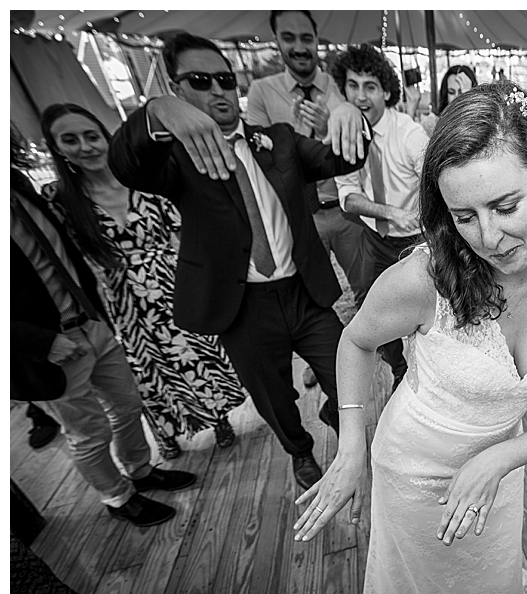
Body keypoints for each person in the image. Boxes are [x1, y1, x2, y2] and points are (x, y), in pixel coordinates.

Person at [292, 82, 527, 594]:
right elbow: (355, 342)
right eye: (464, 216)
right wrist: (351, 446)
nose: (488, 237)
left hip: (498, 464)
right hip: (412, 465)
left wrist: (500, 457)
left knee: (486, 590)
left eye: (506, 207)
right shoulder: (423, 279)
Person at [108, 33, 371, 490]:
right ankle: (300, 452)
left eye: (225, 79)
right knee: (274, 397)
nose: (217, 90)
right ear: (178, 90)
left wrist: (349, 113)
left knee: (347, 374)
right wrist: (154, 111)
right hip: (243, 305)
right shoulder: (175, 157)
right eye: (200, 80)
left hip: (305, 292)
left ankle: (336, 413)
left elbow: (343, 156)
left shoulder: (279, 140)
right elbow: (126, 165)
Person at [11, 126, 196, 528]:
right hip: (46, 347)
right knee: (89, 432)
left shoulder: (20, 184)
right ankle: (118, 498)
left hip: (89, 322)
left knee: (128, 406)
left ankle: (141, 472)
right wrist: (43, 342)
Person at [41, 102, 246, 460]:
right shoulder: (60, 201)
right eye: (70, 140)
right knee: (148, 373)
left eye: (91, 136)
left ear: (106, 138)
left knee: (197, 355)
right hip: (123, 303)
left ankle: (217, 419)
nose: (85, 147)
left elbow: (181, 230)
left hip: (173, 283)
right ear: (58, 149)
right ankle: (165, 433)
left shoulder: (145, 178)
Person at [247, 11, 367, 330]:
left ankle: (374, 350)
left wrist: (331, 129)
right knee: (310, 295)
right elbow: (254, 161)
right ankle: (322, 354)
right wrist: (291, 139)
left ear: (316, 41)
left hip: (344, 211)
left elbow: (354, 147)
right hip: (299, 215)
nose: (299, 47)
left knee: (364, 285)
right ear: (277, 41)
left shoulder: (339, 87)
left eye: (306, 38)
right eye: (289, 38)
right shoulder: (261, 92)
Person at [332, 44, 429, 392]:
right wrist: (389, 212)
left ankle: (424, 374)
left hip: (417, 242)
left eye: (369, 86)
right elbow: (348, 196)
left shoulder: (409, 133)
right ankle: (399, 368)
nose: (360, 96)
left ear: (386, 91)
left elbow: (434, 181)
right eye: (352, 85)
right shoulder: (344, 137)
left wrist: (420, 216)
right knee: (371, 310)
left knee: (423, 311)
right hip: (376, 239)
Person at [419, 64, 477, 135]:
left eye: (461, 92)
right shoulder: (435, 125)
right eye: (451, 92)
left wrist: (469, 99)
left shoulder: (480, 123)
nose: (456, 97)